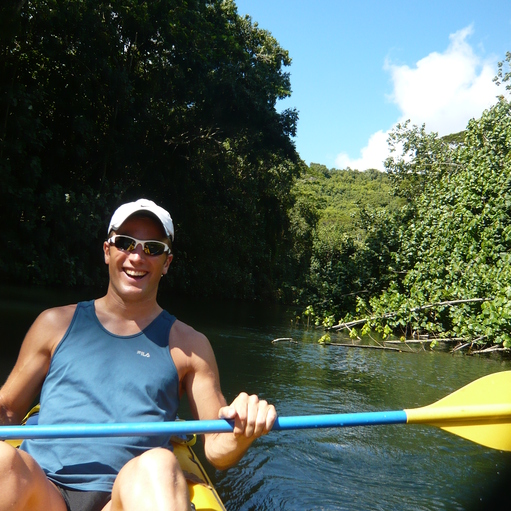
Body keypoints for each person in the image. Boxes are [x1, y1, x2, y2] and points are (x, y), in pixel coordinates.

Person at [0, 198, 277, 511]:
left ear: (167, 262)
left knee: (160, 464)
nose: (137, 256)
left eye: (153, 248)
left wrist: (242, 430)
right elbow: (7, 409)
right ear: (107, 251)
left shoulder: (191, 346)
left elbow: (216, 448)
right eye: (125, 243)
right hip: (45, 492)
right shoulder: (53, 324)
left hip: (125, 496)